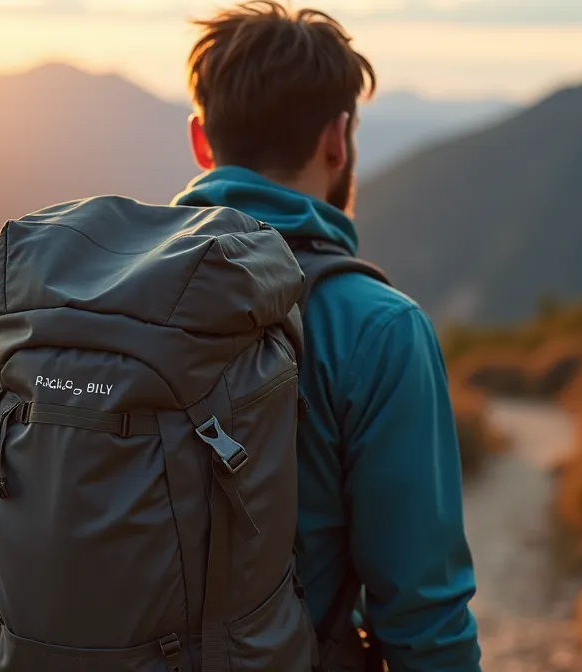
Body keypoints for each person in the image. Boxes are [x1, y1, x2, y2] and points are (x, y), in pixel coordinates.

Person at [168, 2, 483, 670]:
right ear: (338, 140)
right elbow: (423, 613)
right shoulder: (376, 326)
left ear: (201, 143)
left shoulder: (82, 299)